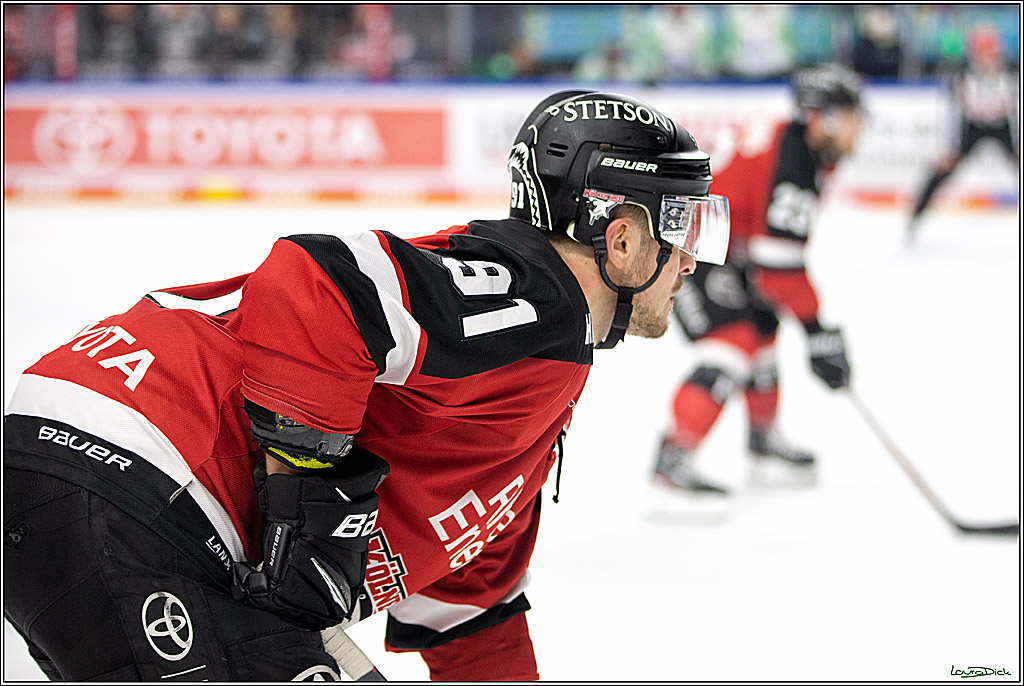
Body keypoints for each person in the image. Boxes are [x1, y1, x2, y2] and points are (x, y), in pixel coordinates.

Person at [3, 90, 729, 681]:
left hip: (101, 465)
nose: (694, 260)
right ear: (625, 238)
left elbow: (472, 626)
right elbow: (313, 282)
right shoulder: (535, 302)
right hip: (143, 471)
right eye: (684, 225)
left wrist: (314, 525)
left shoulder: (533, 394)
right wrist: (311, 509)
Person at [654, 63, 863, 502]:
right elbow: (780, 267)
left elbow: (770, 260)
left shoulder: (798, 147)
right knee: (734, 339)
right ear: (820, 117)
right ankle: (674, 454)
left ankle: (762, 437)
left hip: (718, 245)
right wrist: (816, 331)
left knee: (764, 326)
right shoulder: (796, 162)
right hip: (689, 249)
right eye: (849, 116)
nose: (857, 129)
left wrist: (811, 328)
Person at [907, 25, 1019, 242]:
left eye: (991, 53)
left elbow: (1016, 114)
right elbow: (953, 115)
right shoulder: (963, 77)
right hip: (971, 127)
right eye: (983, 54)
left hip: (1002, 126)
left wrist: (1017, 146)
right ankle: (915, 218)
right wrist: (950, 148)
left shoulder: (1010, 77)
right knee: (940, 172)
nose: (987, 59)